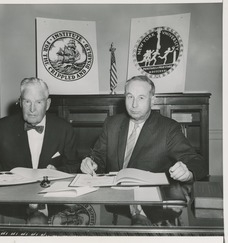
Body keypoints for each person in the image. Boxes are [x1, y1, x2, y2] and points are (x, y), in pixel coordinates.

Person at [80, 75, 208, 225]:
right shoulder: (112, 124)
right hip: (115, 202)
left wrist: (188, 172)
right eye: (130, 97)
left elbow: (197, 161)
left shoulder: (168, 128)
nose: (134, 104)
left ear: (152, 100)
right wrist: (91, 162)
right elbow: (98, 157)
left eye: (141, 98)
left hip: (152, 206)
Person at [0, 77, 80, 184]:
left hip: (50, 199)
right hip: (12, 201)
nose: (32, 109)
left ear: (48, 104)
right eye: (27, 102)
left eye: (38, 102)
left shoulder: (64, 129)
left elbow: (74, 166)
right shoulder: (2, 128)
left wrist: (57, 171)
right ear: (20, 102)